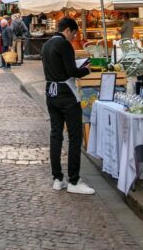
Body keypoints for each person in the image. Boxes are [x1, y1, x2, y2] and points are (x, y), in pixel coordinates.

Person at [42, 17, 94, 195]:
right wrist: (87, 69)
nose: (73, 37)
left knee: (56, 135)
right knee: (75, 136)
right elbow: (72, 71)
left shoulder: (47, 44)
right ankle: (74, 179)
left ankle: (57, 178)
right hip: (66, 94)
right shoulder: (64, 45)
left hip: (51, 92)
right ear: (68, 30)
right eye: (74, 34)